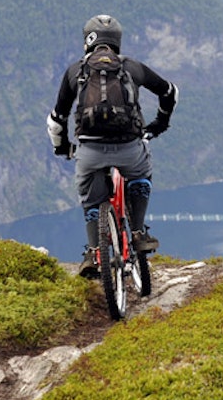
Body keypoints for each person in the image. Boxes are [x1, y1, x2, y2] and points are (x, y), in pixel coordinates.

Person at [46, 14, 178, 276]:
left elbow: (56, 121)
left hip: (90, 151)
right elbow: (169, 92)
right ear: (117, 40)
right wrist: (160, 123)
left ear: (88, 41)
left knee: (91, 201)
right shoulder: (132, 68)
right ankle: (139, 232)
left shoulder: (75, 71)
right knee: (141, 175)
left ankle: (94, 253)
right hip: (129, 147)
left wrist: (63, 148)